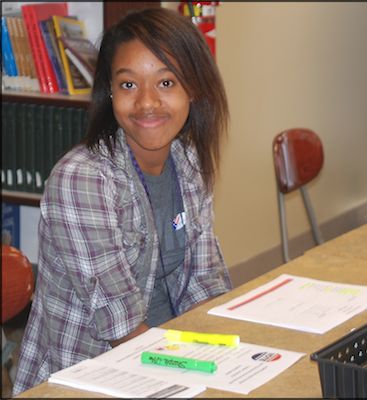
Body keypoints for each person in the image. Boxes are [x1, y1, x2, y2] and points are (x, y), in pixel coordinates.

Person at [13, 7, 232, 396]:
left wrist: (230, 352)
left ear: (193, 88)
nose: (147, 103)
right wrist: (201, 375)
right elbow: (122, 330)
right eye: (129, 85)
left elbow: (205, 283)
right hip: (90, 380)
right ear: (110, 91)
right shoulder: (83, 179)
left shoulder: (188, 160)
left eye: (166, 83)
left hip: (172, 358)